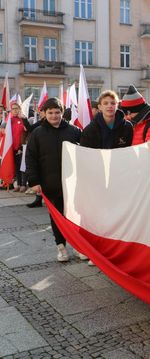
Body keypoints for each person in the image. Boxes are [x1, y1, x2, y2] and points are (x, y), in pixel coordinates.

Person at [25, 98, 83, 262]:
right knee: (57, 218)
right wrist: (34, 181)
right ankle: (61, 247)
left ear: (62, 113)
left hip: (72, 183)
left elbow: (85, 152)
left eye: (57, 112)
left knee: (74, 217)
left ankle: (78, 247)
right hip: (50, 184)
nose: (54, 115)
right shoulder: (37, 133)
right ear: (44, 113)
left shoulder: (74, 131)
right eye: (50, 112)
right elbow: (30, 159)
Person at [9, 103, 28, 192]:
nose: (15, 110)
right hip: (13, 147)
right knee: (16, 167)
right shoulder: (10, 120)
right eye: (13, 109)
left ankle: (24, 184)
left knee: (23, 166)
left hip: (22, 147)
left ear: (20, 109)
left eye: (16, 108)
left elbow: (28, 130)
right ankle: (19, 184)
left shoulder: (24, 119)